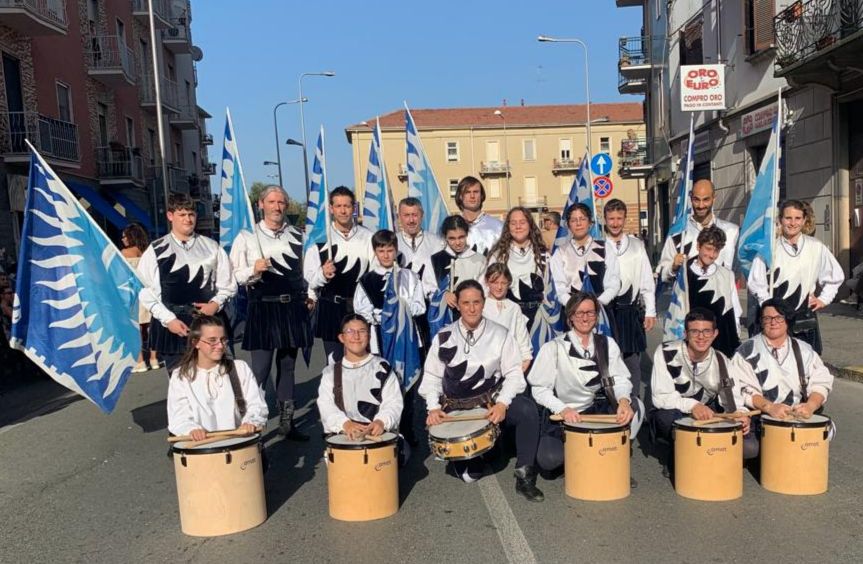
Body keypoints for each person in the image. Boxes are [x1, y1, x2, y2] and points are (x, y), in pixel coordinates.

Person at [420, 280, 544, 502]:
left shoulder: (500, 334)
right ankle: (491, 449)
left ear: (483, 303)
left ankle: (525, 474)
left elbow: (515, 374)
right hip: (456, 411)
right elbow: (431, 376)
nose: (471, 308)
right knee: (471, 475)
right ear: (457, 305)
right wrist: (433, 407)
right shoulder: (443, 336)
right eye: (465, 303)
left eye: (476, 302)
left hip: (490, 404)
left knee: (526, 410)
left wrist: (503, 403)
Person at [529, 292, 644, 476]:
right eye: (579, 313)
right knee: (549, 460)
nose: (585, 317)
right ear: (570, 318)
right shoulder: (553, 347)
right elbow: (540, 389)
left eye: (590, 313)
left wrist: (623, 400)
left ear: (597, 316)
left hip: (599, 410)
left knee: (636, 406)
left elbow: (620, 378)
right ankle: (592, 456)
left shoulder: (608, 343)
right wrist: (563, 410)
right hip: (567, 414)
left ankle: (609, 458)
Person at [230, 185, 313, 439]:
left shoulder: (298, 236)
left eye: (282, 203)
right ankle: (251, 422)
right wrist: (253, 270)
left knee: (287, 366)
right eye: (272, 202)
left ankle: (287, 422)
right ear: (261, 205)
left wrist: (311, 296)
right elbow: (233, 276)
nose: (278, 207)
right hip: (263, 307)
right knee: (261, 369)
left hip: (291, 308)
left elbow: (307, 271)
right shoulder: (247, 237)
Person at [650, 308, 757, 476]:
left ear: (715, 333)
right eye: (695, 331)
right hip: (675, 411)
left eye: (707, 331)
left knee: (750, 448)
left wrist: (741, 414)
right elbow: (661, 396)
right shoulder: (665, 352)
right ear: (685, 333)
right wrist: (693, 406)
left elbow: (732, 398)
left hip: (709, 412)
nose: (701, 337)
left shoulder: (722, 360)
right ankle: (677, 451)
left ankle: (703, 452)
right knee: (664, 417)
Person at [138, 194, 237, 373]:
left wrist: (215, 304)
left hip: (209, 322)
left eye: (191, 214)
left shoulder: (211, 246)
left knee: (219, 380)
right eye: (182, 214)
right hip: (174, 325)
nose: (188, 219)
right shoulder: (155, 249)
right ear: (170, 216)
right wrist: (169, 320)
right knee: (181, 386)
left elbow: (228, 283)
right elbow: (146, 291)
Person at [733, 298, 835, 448]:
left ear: (787, 320)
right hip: (762, 416)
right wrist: (770, 408)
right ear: (761, 322)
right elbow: (743, 389)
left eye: (779, 318)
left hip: (796, 414)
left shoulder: (804, 349)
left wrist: (810, 406)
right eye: (767, 318)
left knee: (828, 429)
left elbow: (821, 382)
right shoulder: (746, 351)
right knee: (748, 448)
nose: (773, 322)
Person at [747, 200, 844, 354]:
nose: (793, 223)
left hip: (803, 317)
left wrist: (824, 299)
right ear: (780, 220)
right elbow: (755, 281)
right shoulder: (769, 249)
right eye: (788, 218)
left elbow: (835, 276)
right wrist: (768, 305)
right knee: (774, 363)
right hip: (774, 318)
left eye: (797, 218)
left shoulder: (815, 247)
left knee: (806, 364)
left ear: (804, 220)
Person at [167, 315, 268, 439]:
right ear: (196, 342)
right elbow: (178, 416)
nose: (220, 346)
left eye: (223, 340)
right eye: (212, 340)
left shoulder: (239, 368)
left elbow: (256, 404)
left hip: (240, 444)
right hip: (201, 448)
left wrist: (250, 422)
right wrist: (191, 429)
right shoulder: (180, 376)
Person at [304, 186, 373, 362]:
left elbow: (374, 274)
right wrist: (322, 273)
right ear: (331, 209)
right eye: (338, 206)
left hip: (359, 308)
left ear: (354, 208)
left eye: (347, 206)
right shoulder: (319, 239)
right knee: (335, 362)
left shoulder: (368, 237)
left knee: (361, 359)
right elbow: (310, 279)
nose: (343, 210)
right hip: (331, 308)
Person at [317, 315, 405, 446]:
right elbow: (326, 405)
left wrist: (381, 421)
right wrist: (345, 424)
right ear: (342, 338)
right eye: (350, 331)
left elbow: (393, 401)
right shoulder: (331, 372)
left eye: (362, 331)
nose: (356, 336)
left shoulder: (382, 367)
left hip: (378, 435)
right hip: (344, 436)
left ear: (369, 337)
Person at [603, 199, 656, 395]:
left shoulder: (636, 245)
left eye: (619, 218)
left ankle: (634, 402)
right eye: (611, 219)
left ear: (625, 219)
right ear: (605, 219)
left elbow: (646, 279)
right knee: (606, 358)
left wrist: (650, 310)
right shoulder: (599, 245)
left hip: (630, 310)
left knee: (631, 360)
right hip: (607, 310)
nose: (615, 223)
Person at [658, 179, 739, 283]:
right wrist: (673, 267)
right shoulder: (677, 233)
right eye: (696, 200)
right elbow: (662, 275)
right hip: (688, 297)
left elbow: (737, 273)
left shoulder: (731, 232)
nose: (701, 206)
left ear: (714, 198)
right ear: (691, 198)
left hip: (722, 297)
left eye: (706, 200)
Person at [487, 207, 551, 329]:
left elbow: (550, 286)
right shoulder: (499, 255)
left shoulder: (543, 255)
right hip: (509, 316)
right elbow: (488, 286)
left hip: (539, 317)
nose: (518, 227)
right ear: (508, 227)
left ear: (530, 225)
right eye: (513, 223)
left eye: (522, 222)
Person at [683, 226, 741, 358]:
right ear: (698, 246)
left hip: (721, 339)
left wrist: (735, 335)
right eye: (708, 249)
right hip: (694, 338)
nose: (711, 255)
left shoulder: (726, 274)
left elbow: (734, 308)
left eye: (716, 251)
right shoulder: (685, 273)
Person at [549, 203, 621, 306]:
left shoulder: (605, 248)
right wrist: (575, 307)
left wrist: (597, 305)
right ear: (568, 225)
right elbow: (558, 286)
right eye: (574, 220)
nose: (578, 224)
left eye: (582, 219)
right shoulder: (560, 252)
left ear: (590, 223)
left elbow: (613, 283)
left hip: (600, 309)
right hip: (570, 310)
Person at [420, 215, 486, 322]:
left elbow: (485, 290)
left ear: (467, 234)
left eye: (461, 237)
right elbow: (427, 287)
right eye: (452, 238)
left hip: (473, 318)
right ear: (445, 237)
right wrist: (443, 295)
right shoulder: (434, 260)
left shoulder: (480, 260)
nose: (458, 242)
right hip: (444, 319)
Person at [482, 264, 532, 372]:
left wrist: (526, 358)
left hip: (509, 363)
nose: (499, 287)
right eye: (495, 282)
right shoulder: (481, 305)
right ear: (487, 281)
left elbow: (521, 336)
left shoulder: (514, 308)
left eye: (503, 283)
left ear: (509, 283)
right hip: (485, 361)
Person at [454, 176, 503, 255]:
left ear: (481, 196)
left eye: (476, 192)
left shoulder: (499, 227)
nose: (472, 196)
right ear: (460, 196)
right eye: (467, 192)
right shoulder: (451, 226)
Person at [396, 197, 444, 276]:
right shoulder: (393, 243)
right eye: (406, 215)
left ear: (422, 215)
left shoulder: (437, 242)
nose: (411, 220)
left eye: (415, 215)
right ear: (399, 217)